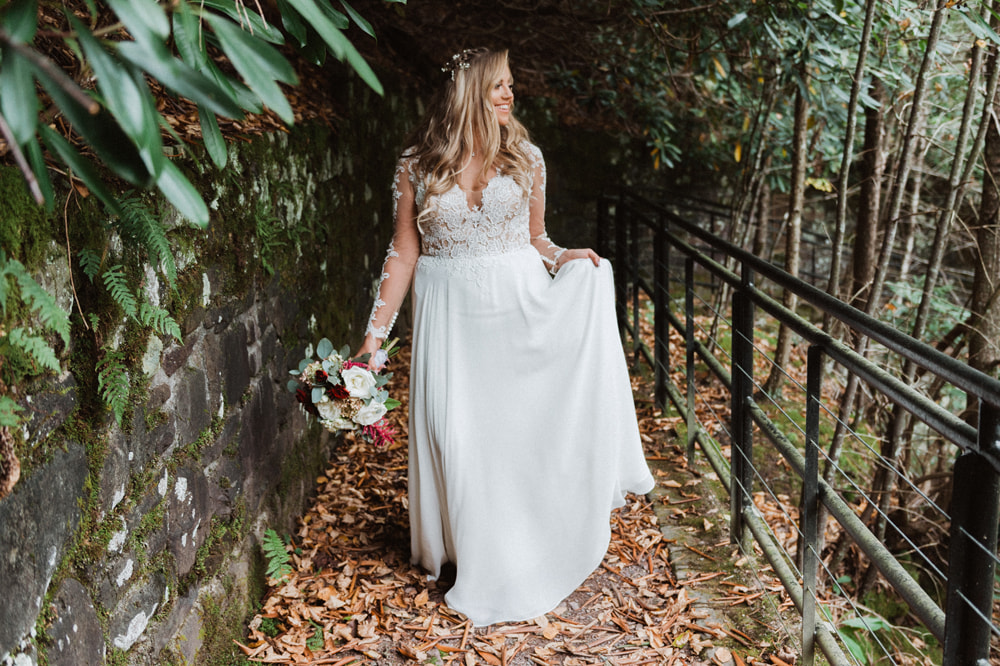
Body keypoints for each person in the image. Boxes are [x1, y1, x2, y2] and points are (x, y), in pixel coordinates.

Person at [356, 47, 654, 626]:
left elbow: (536, 237)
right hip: (449, 318)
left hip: (519, 308)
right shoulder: (417, 164)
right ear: (469, 89)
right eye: (498, 85)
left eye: (511, 85)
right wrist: (372, 341)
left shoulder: (527, 157)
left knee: (511, 435)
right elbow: (403, 251)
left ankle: (522, 546)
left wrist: (566, 256)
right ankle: (469, 550)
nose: (509, 94)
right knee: (454, 431)